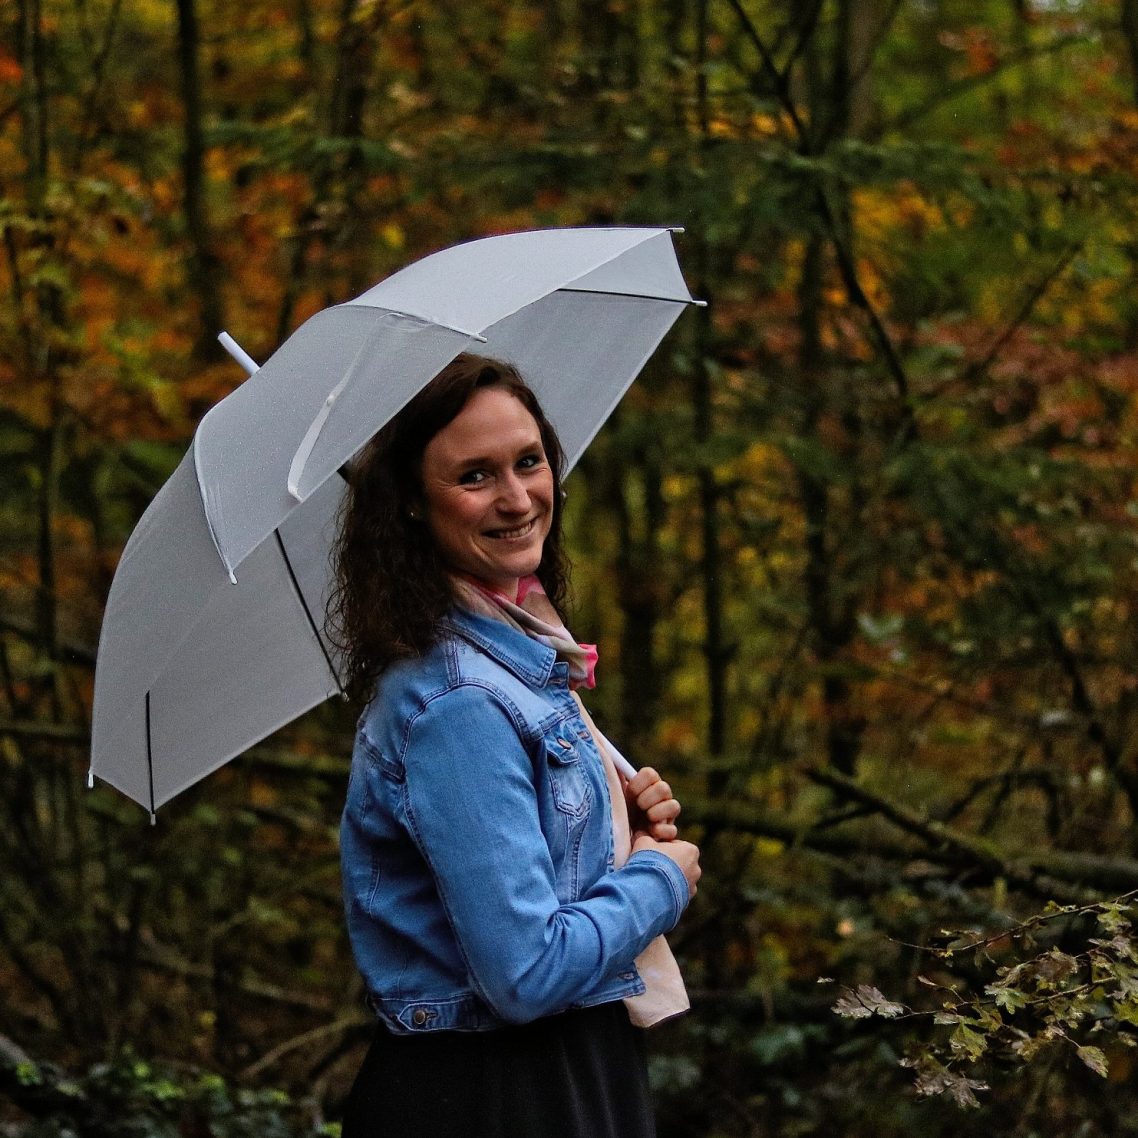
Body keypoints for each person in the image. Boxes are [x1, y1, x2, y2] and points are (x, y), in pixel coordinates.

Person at [329, 352, 701, 1138]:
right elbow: (525, 973)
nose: (517, 497)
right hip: (495, 1095)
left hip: (559, 1071)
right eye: (474, 477)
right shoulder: (458, 701)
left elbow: (540, 887)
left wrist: (617, 829)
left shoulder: (518, 651)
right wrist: (659, 879)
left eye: (528, 462)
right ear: (409, 506)